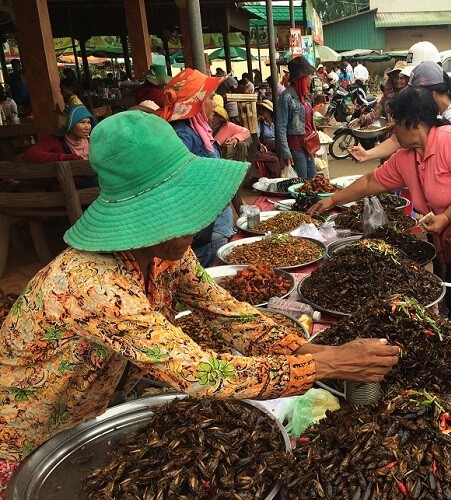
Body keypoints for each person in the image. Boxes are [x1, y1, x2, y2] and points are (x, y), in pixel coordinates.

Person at [0, 110, 400, 494]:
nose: (199, 224)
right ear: (145, 218)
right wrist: (330, 363)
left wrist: (304, 348)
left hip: (97, 407)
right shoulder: (92, 286)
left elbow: (226, 313)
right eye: (181, 211)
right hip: (33, 436)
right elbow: (200, 374)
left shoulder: (164, 253)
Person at [310, 86, 451, 329]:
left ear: (414, 123)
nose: (391, 129)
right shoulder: (407, 157)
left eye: (395, 123)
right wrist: (333, 200)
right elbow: (370, 181)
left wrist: (446, 217)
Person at [159, 68, 236, 267]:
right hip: (204, 230)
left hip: (215, 224)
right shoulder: (184, 135)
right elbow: (178, 184)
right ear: (196, 103)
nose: (215, 103)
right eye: (210, 97)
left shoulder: (198, 131)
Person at [277, 56, 319, 178]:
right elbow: (281, 126)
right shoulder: (286, 97)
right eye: (309, 76)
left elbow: (309, 123)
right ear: (301, 78)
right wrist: (286, 152)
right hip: (296, 148)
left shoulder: (306, 96)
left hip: (308, 146)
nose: (311, 79)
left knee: (313, 179)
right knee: (303, 184)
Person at [24, 104, 95, 163]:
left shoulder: (90, 141)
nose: (87, 127)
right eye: (82, 122)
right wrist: (66, 157)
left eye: (89, 122)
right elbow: (30, 155)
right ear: (70, 124)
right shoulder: (55, 140)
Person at [355, 60, 407, 128]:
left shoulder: (411, 97)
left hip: (404, 135)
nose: (398, 81)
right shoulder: (388, 96)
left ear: (407, 79)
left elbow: (412, 119)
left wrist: (395, 125)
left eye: (401, 78)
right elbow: (376, 112)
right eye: (396, 77)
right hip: (388, 134)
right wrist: (362, 119)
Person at [255, 99, 282, 178]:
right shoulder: (260, 123)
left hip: (278, 146)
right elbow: (256, 136)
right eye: (261, 109)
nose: (262, 111)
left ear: (269, 111)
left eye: (264, 109)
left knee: (279, 157)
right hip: (266, 147)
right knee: (274, 159)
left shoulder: (276, 122)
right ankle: (275, 179)